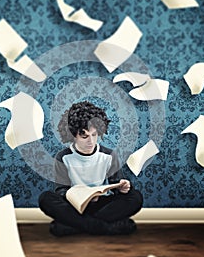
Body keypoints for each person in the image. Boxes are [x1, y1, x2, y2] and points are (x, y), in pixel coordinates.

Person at [39, 101, 143, 236]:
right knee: (45, 198)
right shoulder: (63, 157)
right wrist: (84, 196)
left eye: (94, 135)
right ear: (73, 135)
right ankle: (105, 227)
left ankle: (77, 226)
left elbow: (116, 186)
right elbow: (61, 191)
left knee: (135, 197)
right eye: (84, 136)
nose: (91, 141)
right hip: (75, 206)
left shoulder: (109, 155)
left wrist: (123, 187)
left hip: (103, 205)